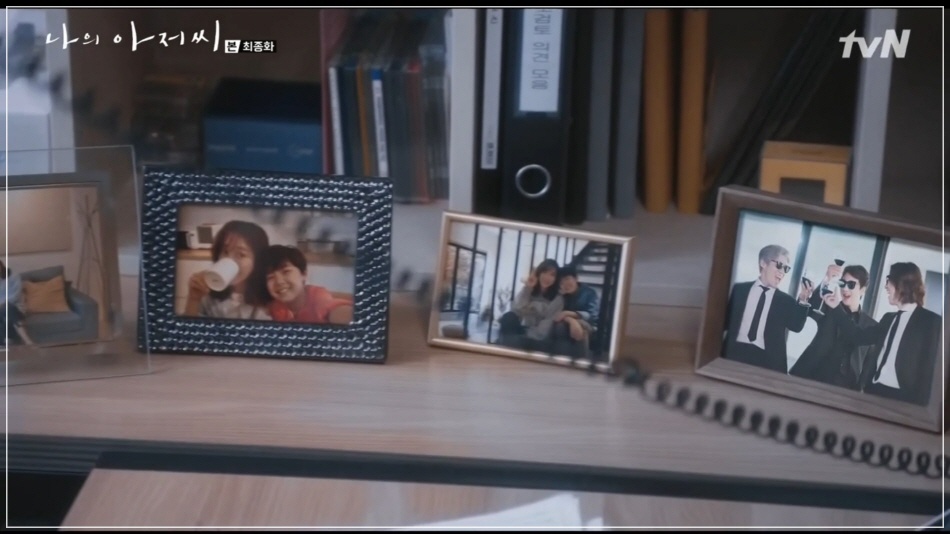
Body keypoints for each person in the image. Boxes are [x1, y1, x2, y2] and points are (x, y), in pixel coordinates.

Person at [822, 262, 941, 406]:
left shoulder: (931, 322)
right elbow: (857, 336)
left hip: (903, 400)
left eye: (888, 280)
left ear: (902, 284)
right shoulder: (888, 319)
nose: (886, 286)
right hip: (874, 392)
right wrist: (836, 307)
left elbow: (931, 371)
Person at [722, 244, 813, 374]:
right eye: (779, 265)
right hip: (734, 355)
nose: (782, 272)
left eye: (786, 268)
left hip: (768, 362)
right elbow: (723, 322)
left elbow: (796, 326)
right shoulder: (739, 290)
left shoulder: (786, 301)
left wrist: (803, 299)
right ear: (763, 263)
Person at [789, 263, 878, 389]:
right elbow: (812, 307)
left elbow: (867, 367)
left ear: (863, 289)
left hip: (846, 389)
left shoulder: (871, 326)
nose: (845, 289)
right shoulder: (829, 306)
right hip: (812, 378)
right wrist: (826, 279)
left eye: (851, 285)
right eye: (842, 283)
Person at [184, 220, 273, 320]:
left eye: (241, 254)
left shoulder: (267, 298)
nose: (229, 260)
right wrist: (194, 299)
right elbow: (189, 327)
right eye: (225, 252)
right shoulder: (207, 291)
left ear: (257, 261)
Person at [262, 245, 354, 325]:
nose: (279, 281)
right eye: (270, 277)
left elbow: (333, 309)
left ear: (303, 274)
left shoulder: (319, 301)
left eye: (286, 272)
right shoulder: (274, 306)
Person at [498, 259, 564, 351]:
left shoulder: (557, 299)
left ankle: (507, 348)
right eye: (544, 272)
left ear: (556, 279)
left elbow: (543, 331)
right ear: (539, 273)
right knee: (508, 317)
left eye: (552, 275)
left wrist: (523, 335)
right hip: (523, 332)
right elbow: (517, 309)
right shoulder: (530, 289)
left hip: (540, 340)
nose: (547, 277)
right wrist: (528, 288)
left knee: (512, 341)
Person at [550, 265, 600, 360]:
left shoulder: (589, 293)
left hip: (589, 326)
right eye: (561, 282)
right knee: (559, 326)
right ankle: (560, 360)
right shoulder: (563, 296)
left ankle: (581, 362)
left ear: (576, 278)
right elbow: (558, 315)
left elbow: (592, 316)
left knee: (581, 326)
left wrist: (569, 314)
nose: (565, 284)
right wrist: (570, 319)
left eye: (567, 279)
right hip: (567, 323)